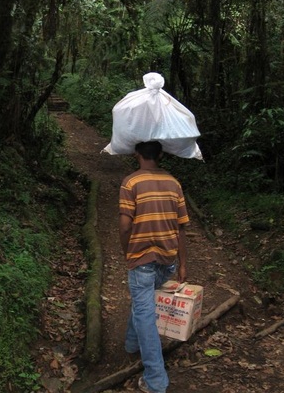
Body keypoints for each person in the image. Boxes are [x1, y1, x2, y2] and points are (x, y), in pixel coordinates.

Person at [119, 141, 189, 393]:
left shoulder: (131, 183)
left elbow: (125, 226)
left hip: (142, 259)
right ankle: (131, 343)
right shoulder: (174, 183)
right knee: (143, 304)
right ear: (160, 154)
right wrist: (183, 264)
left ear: (136, 154)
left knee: (145, 312)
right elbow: (181, 227)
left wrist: (127, 251)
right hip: (167, 258)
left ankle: (156, 381)